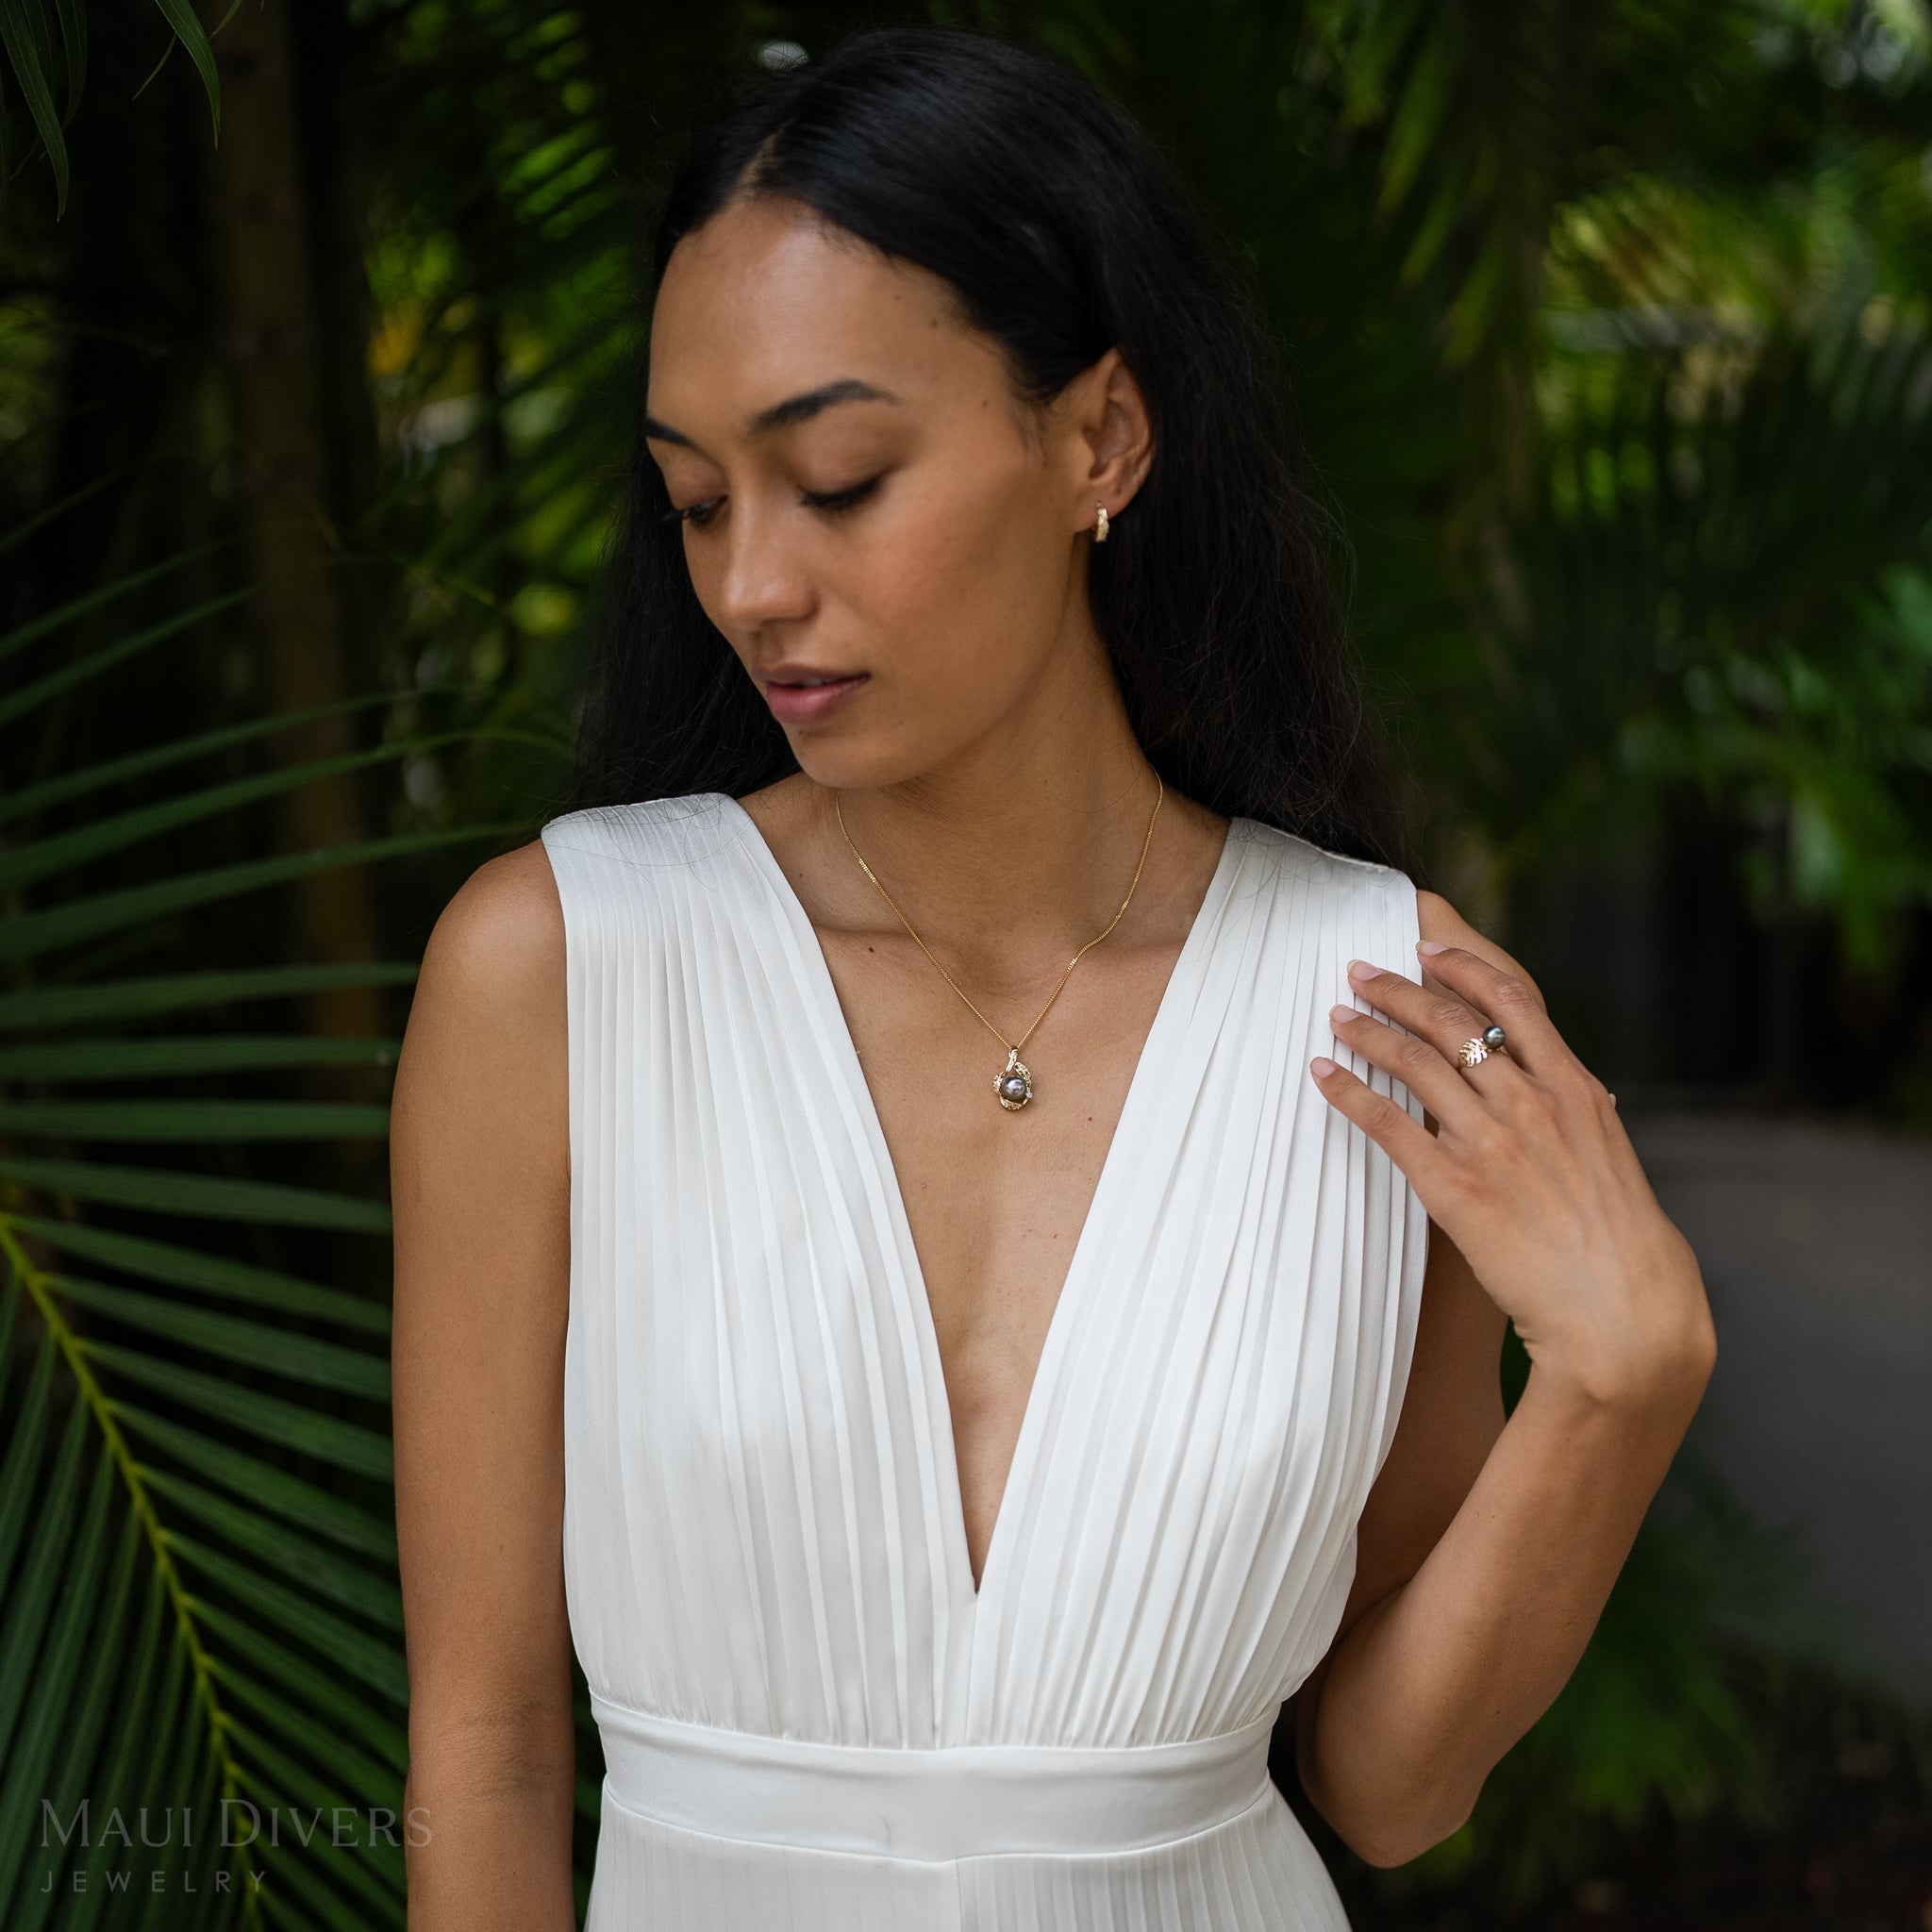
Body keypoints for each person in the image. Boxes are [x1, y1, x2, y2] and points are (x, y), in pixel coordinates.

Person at [390, 25, 1716, 1931]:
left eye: (837, 478)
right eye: (695, 499)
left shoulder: (1379, 998)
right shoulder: (556, 974)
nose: (752, 580)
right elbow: (493, 1747)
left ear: (1098, 437)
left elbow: (1390, 1780)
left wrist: (1617, 1382)